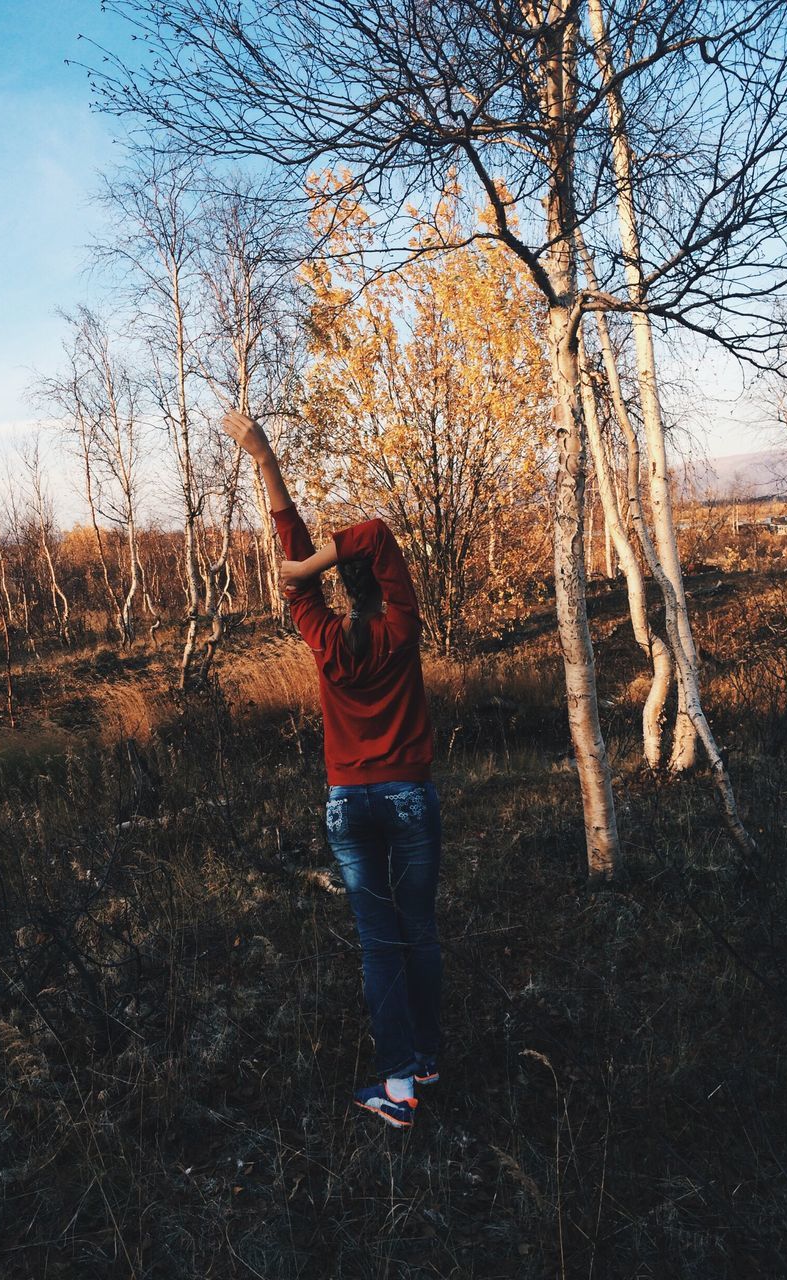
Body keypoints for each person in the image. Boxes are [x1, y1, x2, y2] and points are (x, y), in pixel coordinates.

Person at [222, 409, 442, 1131]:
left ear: (339, 592)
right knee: (418, 927)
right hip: (409, 795)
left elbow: (293, 555)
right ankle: (425, 1058)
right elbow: (375, 533)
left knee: (380, 939)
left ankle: (400, 1086)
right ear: (385, 584)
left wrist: (265, 461)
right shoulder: (402, 626)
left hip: (351, 802)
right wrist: (321, 561)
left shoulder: (321, 636)